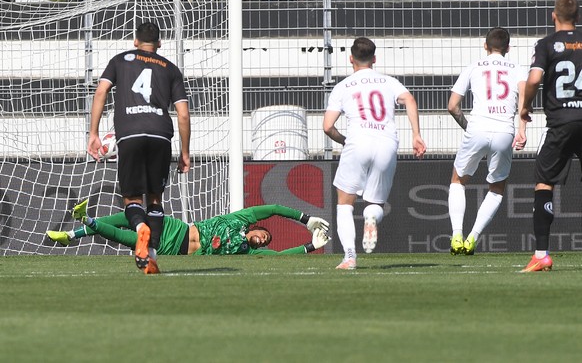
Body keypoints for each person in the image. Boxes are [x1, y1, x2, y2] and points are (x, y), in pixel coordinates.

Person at [88, 22, 191, 274]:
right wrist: (185, 152)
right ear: (159, 43)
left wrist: (93, 133)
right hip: (160, 135)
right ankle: (151, 255)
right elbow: (183, 115)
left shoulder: (119, 60)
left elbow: (101, 91)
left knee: (132, 199)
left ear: (135, 41)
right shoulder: (171, 69)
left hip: (130, 134)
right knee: (155, 199)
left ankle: (139, 229)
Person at [323, 37, 427, 270]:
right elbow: (409, 99)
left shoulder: (343, 86)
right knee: (375, 202)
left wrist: (345, 140)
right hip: (386, 142)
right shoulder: (389, 82)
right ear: (375, 59)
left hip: (358, 140)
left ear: (351, 59)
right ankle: (371, 219)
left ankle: (350, 257)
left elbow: (328, 126)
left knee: (344, 203)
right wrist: (416, 134)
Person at [447, 27, 528, 256]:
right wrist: (522, 129)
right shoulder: (517, 69)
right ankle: (473, 238)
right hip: (505, 131)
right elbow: (524, 103)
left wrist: (468, 126)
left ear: (485, 46)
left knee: (458, 180)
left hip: (477, 128)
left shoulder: (474, 66)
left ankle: (456, 235)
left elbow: (452, 105)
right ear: (508, 48)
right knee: (497, 187)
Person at [520, 0, 582, 272]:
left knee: (544, 183)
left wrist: (525, 107)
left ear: (553, 16)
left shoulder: (547, 44)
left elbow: (534, 79)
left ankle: (542, 253)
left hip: (561, 122)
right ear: (577, 18)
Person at [46, 199, 331, 257]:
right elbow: (275, 209)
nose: (262, 239)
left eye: (265, 241)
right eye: (263, 234)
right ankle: (75, 232)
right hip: (178, 228)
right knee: (131, 217)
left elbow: (280, 258)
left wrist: (310, 246)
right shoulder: (242, 218)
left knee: (134, 240)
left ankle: (83, 225)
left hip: (175, 250)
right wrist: (305, 219)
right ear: (256, 228)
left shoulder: (247, 254)